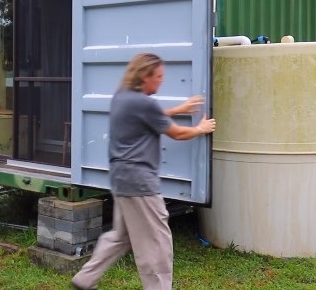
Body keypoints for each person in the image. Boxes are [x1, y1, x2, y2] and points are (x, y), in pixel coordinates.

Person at [72, 53, 216, 290]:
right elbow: (177, 133)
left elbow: (149, 118)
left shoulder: (122, 98)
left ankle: (85, 279)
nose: (161, 81)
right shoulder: (143, 103)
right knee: (156, 243)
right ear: (144, 76)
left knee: (120, 236)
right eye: (158, 76)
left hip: (121, 180)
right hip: (140, 184)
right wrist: (201, 128)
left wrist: (179, 108)